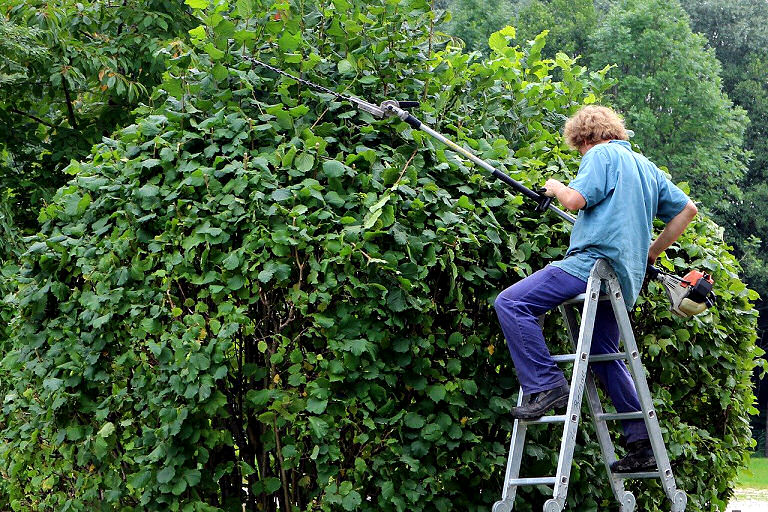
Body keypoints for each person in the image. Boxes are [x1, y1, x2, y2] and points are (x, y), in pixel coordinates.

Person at [493, 105, 698, 472]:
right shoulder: (646, 167)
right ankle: (642, 443)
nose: (581, 154)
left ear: (584, 138)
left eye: (579, 149)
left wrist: (556, 187)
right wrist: (650, 253)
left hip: (591, 265)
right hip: (625, 277)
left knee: (511, 303)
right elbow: (688, 210)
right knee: (604, 355)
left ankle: (546, 384)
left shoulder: (600, 154)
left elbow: (575, 201)